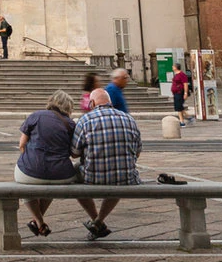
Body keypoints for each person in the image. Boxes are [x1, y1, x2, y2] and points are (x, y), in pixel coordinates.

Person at [73, 93, 142, 238]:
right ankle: (98, 222)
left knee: (72, 173)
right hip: (126, 177)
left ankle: (95, 219)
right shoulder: (128, 118)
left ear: (91, 103)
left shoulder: (85, 120)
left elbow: (74, 152)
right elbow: (137, 151)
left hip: (93, 177)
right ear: (110, 102)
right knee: (119, 172)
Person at [14, 92, 79, 238]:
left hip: (30, 171)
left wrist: (29, 158)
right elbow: (74, 153)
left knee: (24, 181)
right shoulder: (70, 124)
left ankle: (38, 220)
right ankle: (38, 222)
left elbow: (22, 144)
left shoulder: (36, 116)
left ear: (51, 102)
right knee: (51, 183)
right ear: (68, 107)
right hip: (61, 175)